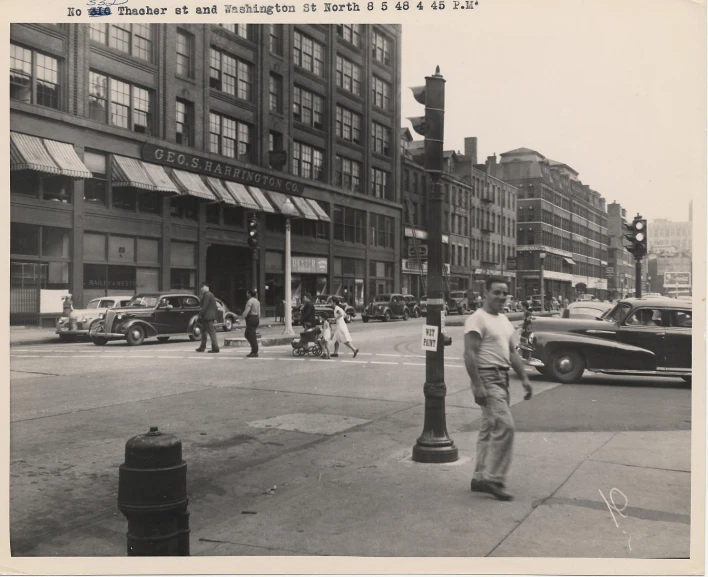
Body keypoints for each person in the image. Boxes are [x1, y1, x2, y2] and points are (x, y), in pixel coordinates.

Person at [464, 276, 533, 501]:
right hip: (487, 377)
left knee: (489, 428)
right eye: (497, 292)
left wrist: (523, 377)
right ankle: (493, 478)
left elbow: (512, 352)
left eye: (505, 293)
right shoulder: (477, 319)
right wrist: (477, 385)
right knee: (505, 426)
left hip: (502, 377)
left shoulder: (504, 320)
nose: (502, 297)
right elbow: (470, 353)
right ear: (485, 293)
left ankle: (479, 476)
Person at [196, 282, 219, 353]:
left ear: (207, 287)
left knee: (211, 332)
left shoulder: (208, 295)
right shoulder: (207, 295)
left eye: (202, 287)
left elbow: (204, 306)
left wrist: (198, 315)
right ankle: (202, 347)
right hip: (207, 317)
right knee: (204, 332)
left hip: (208, 317)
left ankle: (215, 348)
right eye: (201, 287)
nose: (201, 289)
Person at [240, 289, 261, 357]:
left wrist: (241, 318)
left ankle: (254, 351)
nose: (246, 295)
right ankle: (254, 349)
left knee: (251, 335)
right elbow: (259, 312)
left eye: (247, 293)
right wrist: (258, 319)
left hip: (251, 318)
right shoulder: (257, 301)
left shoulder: (250, 301)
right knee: (248, 334)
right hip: (256, 318)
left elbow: (247, 311)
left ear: (249, 294)